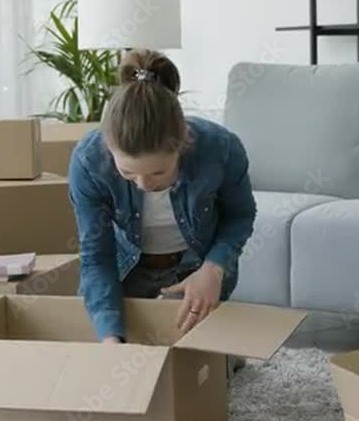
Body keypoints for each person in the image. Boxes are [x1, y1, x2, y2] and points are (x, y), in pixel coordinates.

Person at [68, 49, 257, 344]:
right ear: (108, 148)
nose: (143, 185)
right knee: (98, 340)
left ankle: (225, 353)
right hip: (126, 270)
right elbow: (96, 256)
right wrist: (109, 340)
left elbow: (240, 215)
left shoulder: (221, 148)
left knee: (182, 355)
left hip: (196, 268)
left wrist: (214, 269)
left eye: (158, 172)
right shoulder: (88, 162)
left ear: (183, 142)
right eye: (129, 174)